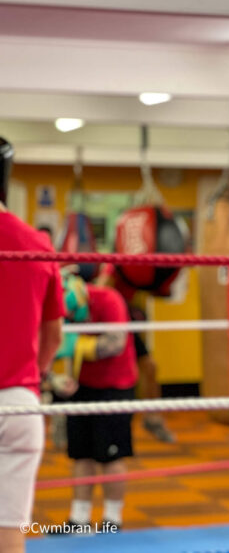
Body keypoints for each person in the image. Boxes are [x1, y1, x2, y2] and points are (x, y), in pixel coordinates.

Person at [0, 136, 65, 553]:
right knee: (9, 530)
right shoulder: (36, 242)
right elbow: (54, 334)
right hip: (20, 402)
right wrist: (32, 377)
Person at [57, 271, 138, 531]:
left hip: (115, 386)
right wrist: (62, 376)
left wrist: (80, 346)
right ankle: (79, 520)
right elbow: (59, 342)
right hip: (83, 384)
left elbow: (116, 343)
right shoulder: (62, 308)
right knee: (80, 454)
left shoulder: (110, 300)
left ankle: (112, 520)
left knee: (110, 456)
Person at [95, 264, 175, 442]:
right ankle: (64, 420)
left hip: (126, 319)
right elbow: (100, 290)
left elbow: (157, 291)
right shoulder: (115, 265)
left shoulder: (137, 267)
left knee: (150, 367)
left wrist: (163, 283)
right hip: (111, 322)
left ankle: (153, 418)